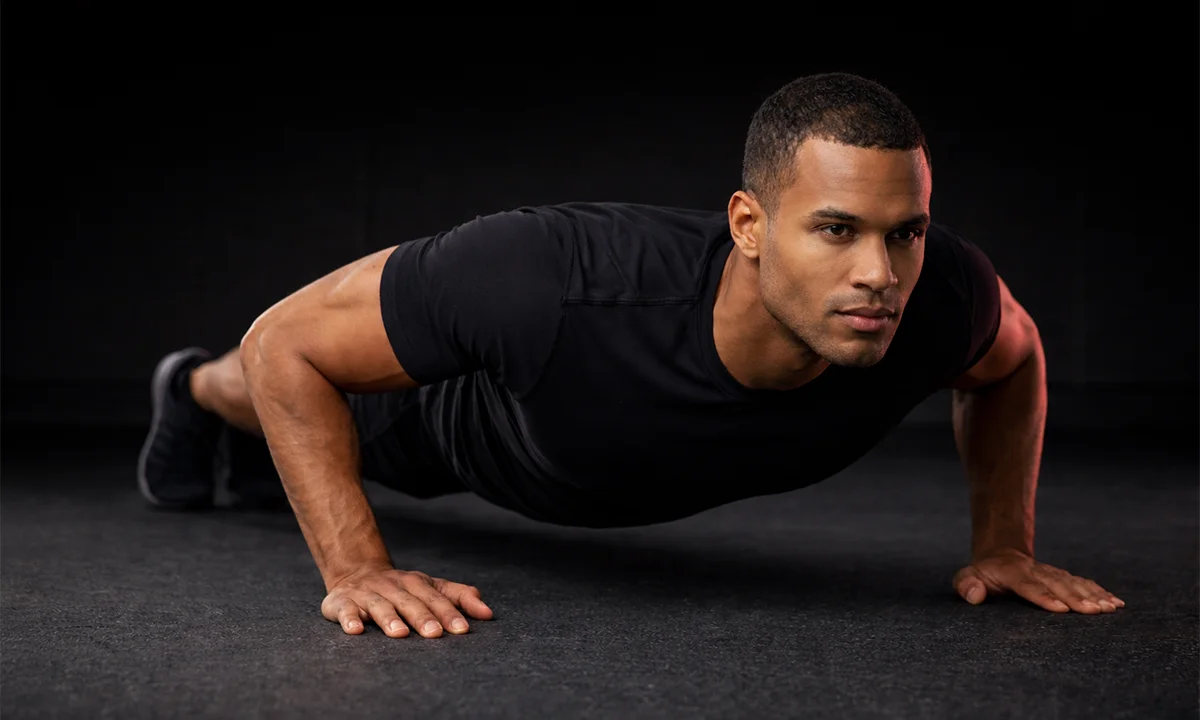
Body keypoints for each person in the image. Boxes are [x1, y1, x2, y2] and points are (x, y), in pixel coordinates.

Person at [136, 72, 1125, 640]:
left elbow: (1016, 360)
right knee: (261, 387)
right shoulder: (550, 277)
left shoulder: (942, 293)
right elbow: (284, 343)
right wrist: (354, 567)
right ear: (748, 223)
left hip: (589, 466)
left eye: (903, 232)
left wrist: (1005, 544)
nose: (881, 272)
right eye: (834, 230)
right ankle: (186, 390)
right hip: (462, 421)